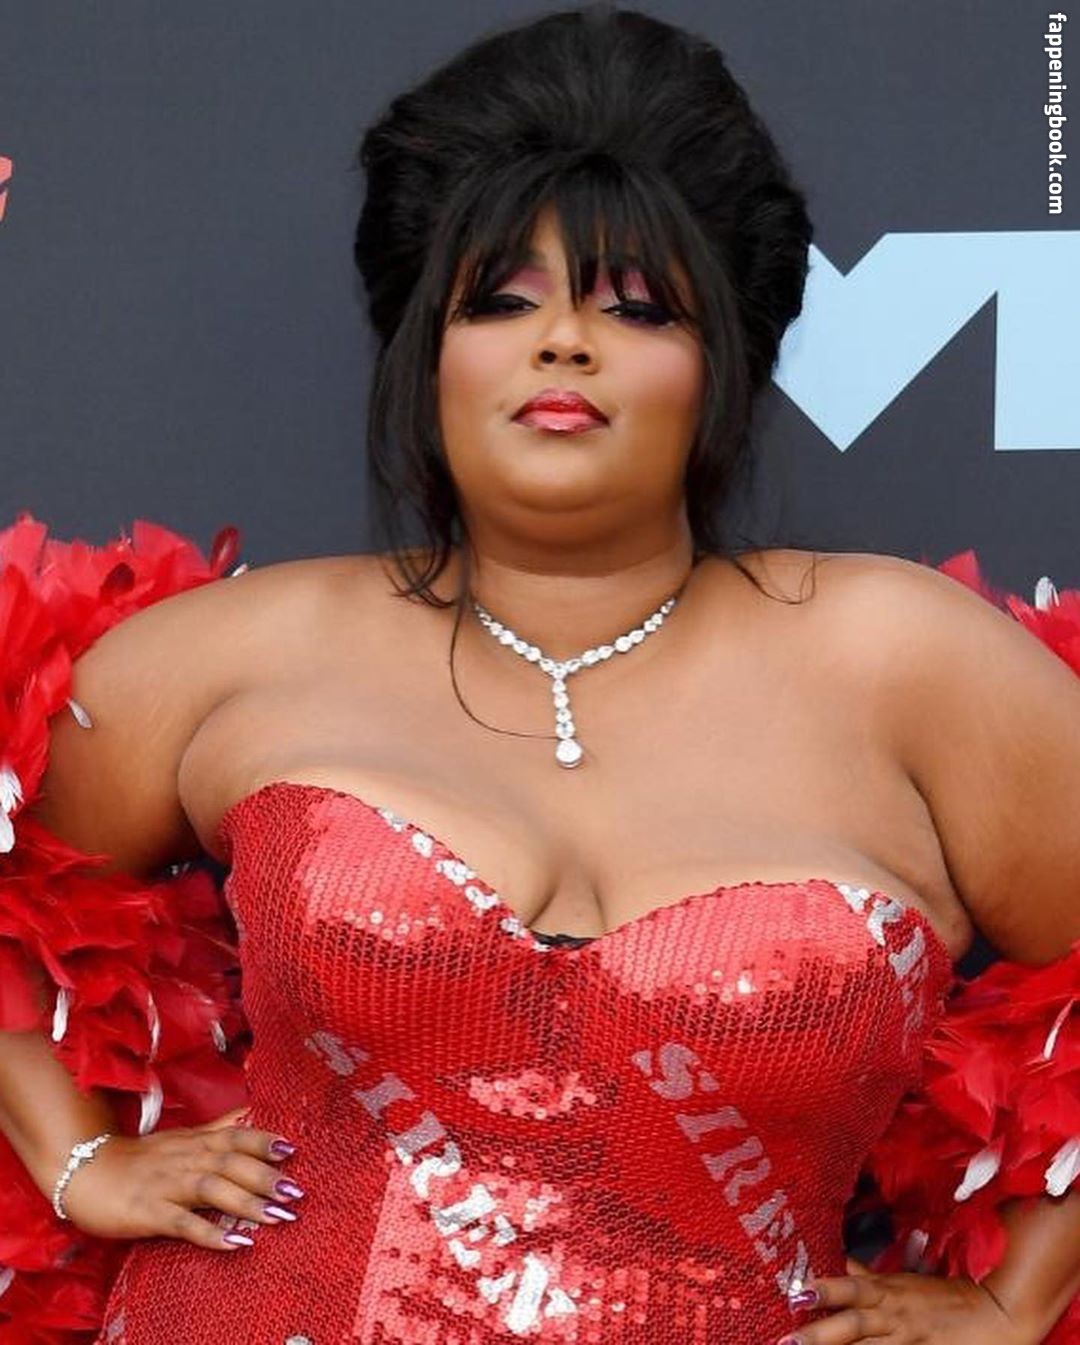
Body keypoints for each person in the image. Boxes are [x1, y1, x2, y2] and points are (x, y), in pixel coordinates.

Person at [1, 4, 1078, 1343]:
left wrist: (1016, 1300)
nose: (563, 341)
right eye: (502, 300)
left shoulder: (906, 660)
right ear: (428, 353)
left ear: (724, 363)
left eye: (636, 307)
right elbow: (19, 880)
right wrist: (77, 1155)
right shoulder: (239, 653)